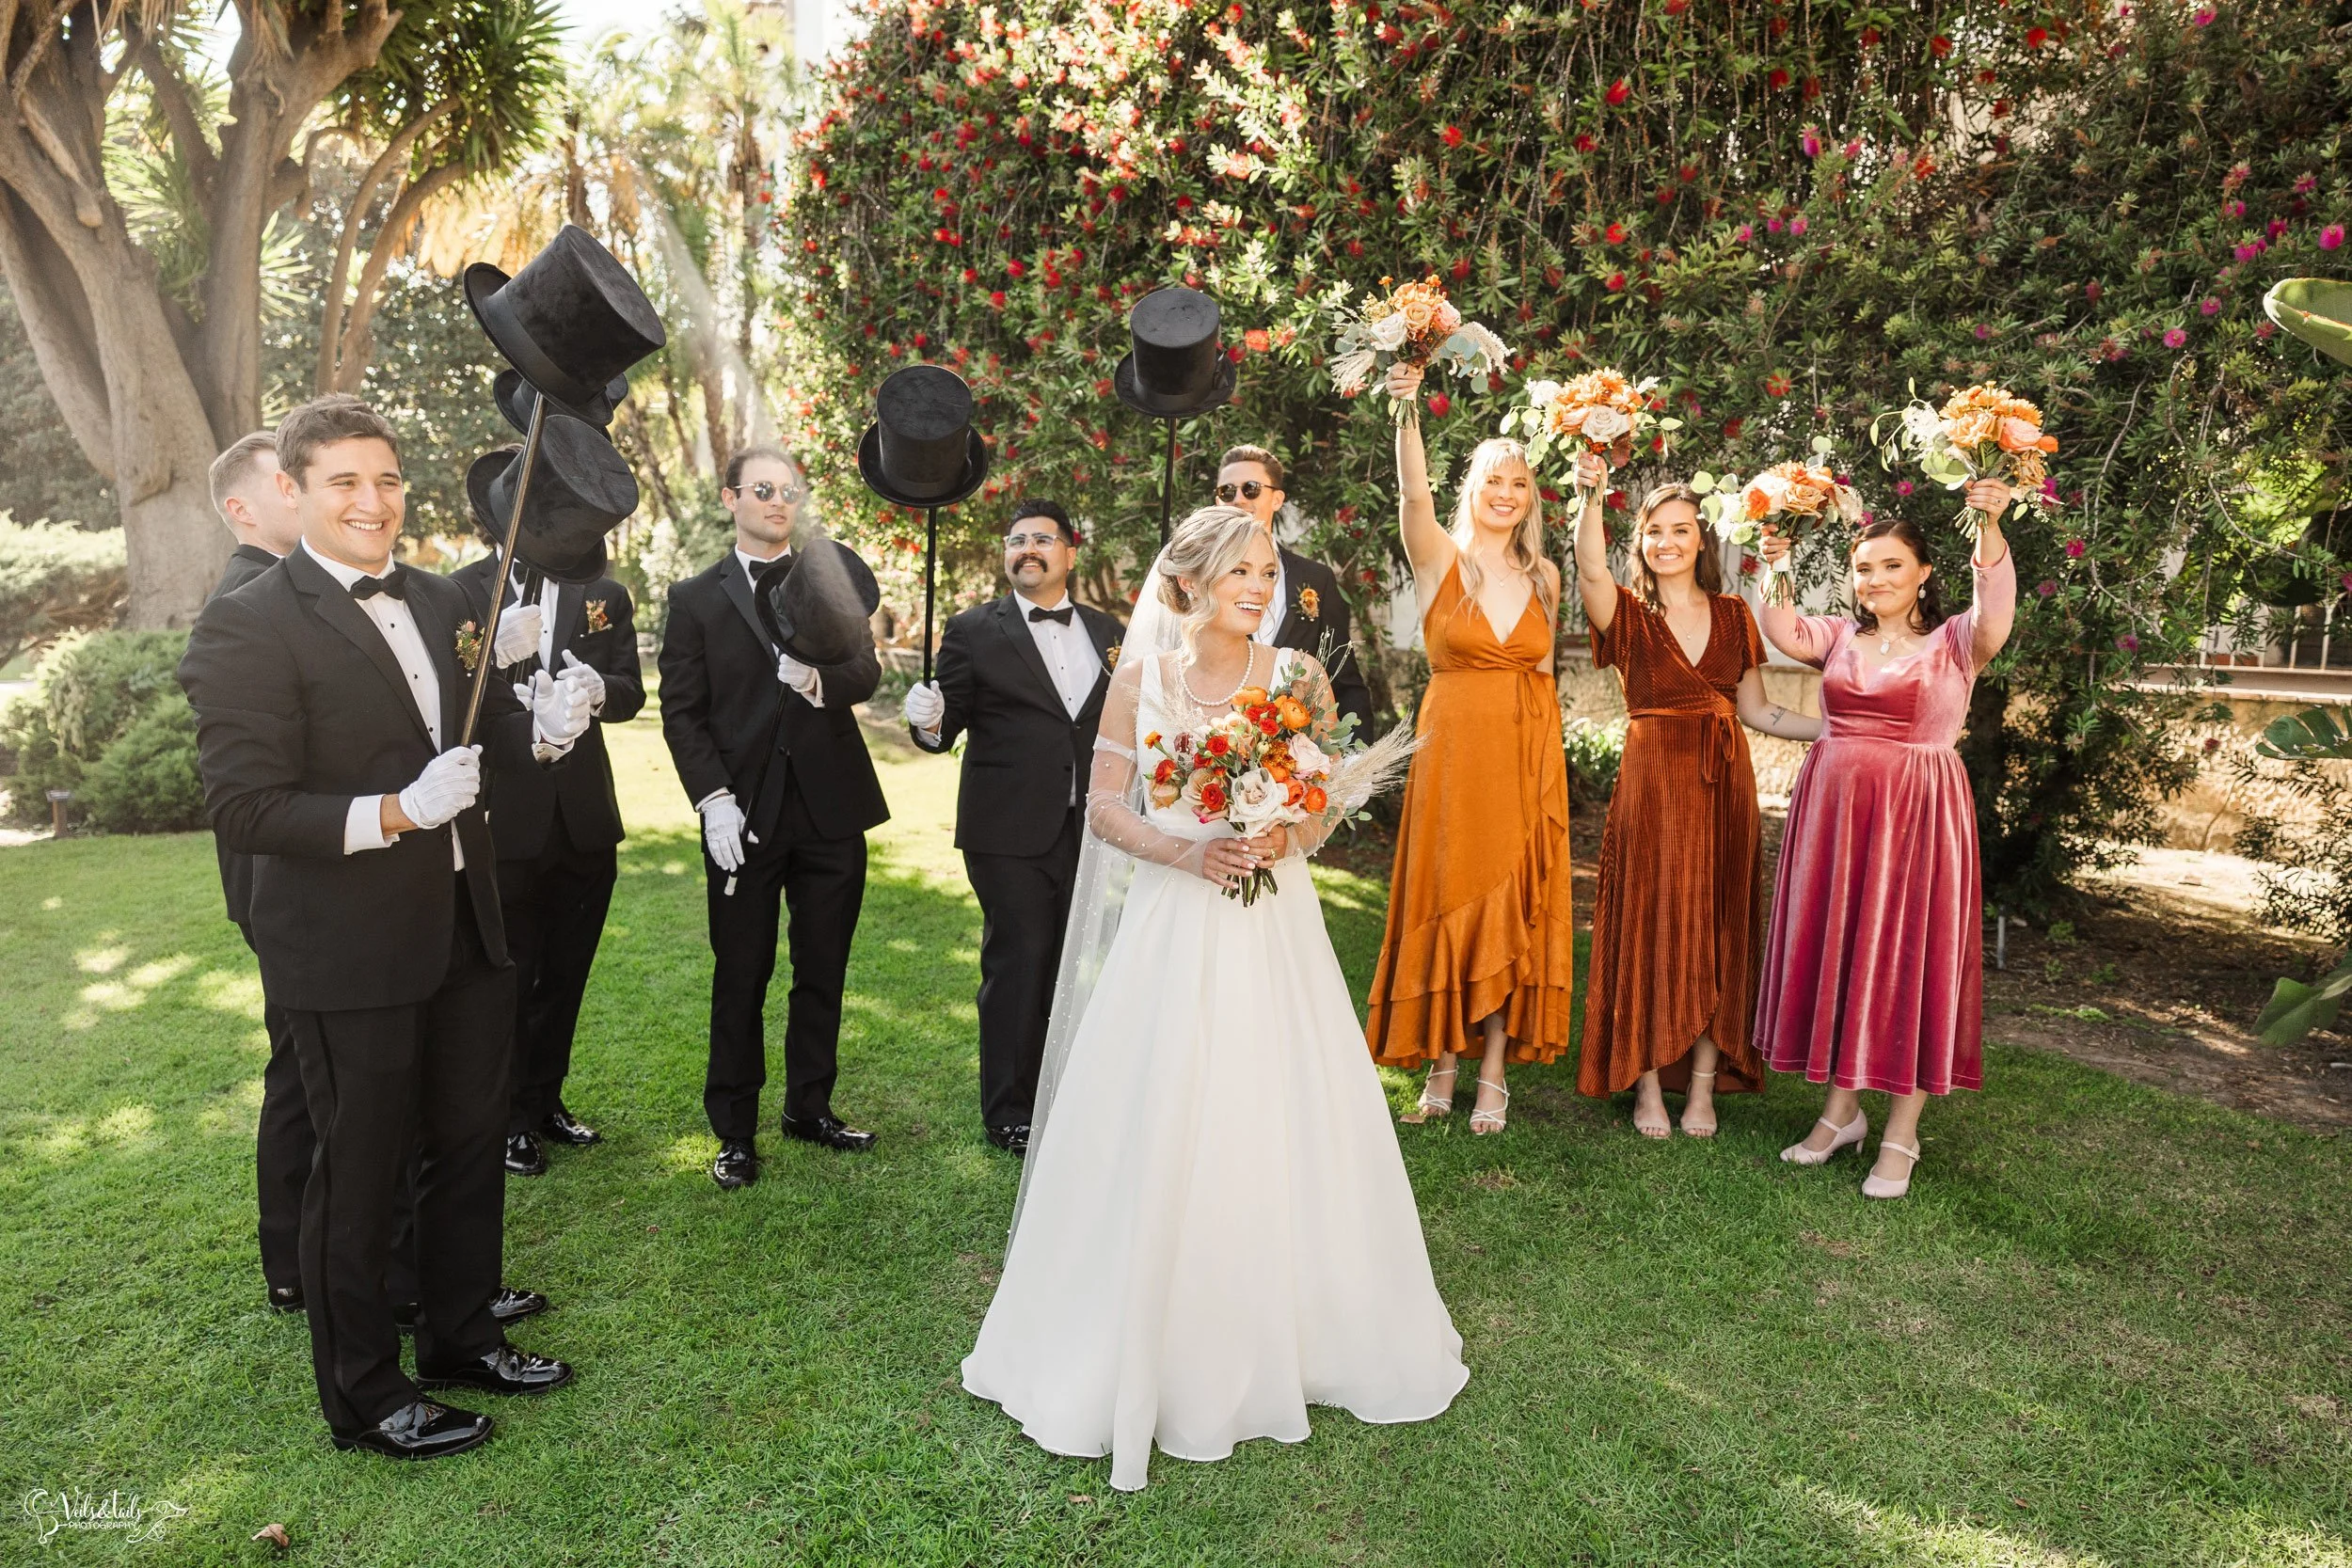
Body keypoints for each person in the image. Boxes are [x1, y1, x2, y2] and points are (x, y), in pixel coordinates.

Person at [961, 505, 1466, 1492]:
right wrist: (1188, 852)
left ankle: (1305, 1322)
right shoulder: (1140, 679)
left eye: (1266, 570)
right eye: (1239, 569)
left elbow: (1322, 799)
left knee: (1284, 1102)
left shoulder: (1298, 676)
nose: (1257, 586)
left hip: (1274, 920)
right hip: (1174, 917)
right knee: (1164, 1104)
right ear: (1187, 581)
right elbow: (1105, 808)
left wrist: (1284, 831)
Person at [178, 395, 593, 1459]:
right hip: (345, 942)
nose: (373, 501)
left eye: (388, 480)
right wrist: (399, 810)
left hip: (464, 920)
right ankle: (364, 1394)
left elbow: (468, 736)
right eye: (345, 482)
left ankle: (461, 1337)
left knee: (467, 1143)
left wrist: (541, 733)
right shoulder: (248, 621)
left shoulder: (442, 594)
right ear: (294, 490)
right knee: (360, 1171)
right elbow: (245, 807)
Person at [1754, 483, 2016, 1198]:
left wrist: (1989, 523)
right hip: (1838, 820)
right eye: (1864, 568)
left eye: (1892, 566)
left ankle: (1902, 1132)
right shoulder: (1840, 638)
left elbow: (1995, 605)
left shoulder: (1956, 642)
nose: (1875, 580)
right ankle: (1840, 1115)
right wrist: (1775, 561)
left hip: (1920, 820)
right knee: (1845, 953)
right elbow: (1782, 629)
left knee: (1909, 960)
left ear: (1924, 572)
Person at [1569, 452, 1821, 1137]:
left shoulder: (1735, 615)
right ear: (1640, 542)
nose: (1667, 542)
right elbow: (1589, 567)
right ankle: (1648, 1080)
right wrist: (1591, 492)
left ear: (1701, 540)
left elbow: (1759, 711)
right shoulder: (1625, 612)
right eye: (1654, 531)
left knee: (1719, 921)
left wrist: (1838, 728)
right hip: (1653, 782)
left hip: (1723, 786)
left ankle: (1704, 1086)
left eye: (1681, 530)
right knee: (1650, 920)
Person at [660, 447, 888, 1189]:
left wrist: (818, 678)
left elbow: (867, 670)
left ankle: (809, 1108)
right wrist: (712, 800)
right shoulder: (694, 597)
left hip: (831, 808)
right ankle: (734, 1131)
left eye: (789, 489)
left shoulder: (830, 577)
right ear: (731, 498)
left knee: (823, 968)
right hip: (743, 813)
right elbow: (682, 711)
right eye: (763, 488)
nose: (778, 500)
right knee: (742, 972)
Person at [1360, 364, 1575, 1131]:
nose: (1506, 494)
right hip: (1453, 751)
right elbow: (1413, 496)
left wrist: (1546, 774)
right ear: (1473, 490)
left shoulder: (1546, 575)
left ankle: (1492, 1070)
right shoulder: (1440, 557)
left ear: (1530, 498)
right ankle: (1442, 1061)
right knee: (1450, 889)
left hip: (1523, 754)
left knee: (1513, 897)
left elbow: (1543, 676)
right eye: (1493, 481)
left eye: (1519, 484)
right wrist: (1406, 406)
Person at [900, 499, 1124, 1154]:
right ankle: (1009, 1111)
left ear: (1070, 553)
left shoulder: (1109, 630)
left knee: (1070, 963)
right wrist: (927, 719)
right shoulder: (973, 629)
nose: (1027, 548)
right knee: (1019, 963)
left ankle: (1060, 1091)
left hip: (1090, 824)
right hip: (1006, 830)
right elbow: (943, 730)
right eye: (1016, 539)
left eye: (1042, 539)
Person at [453, 512, 646, 1178]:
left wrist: (601, 690)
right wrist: (492, 661)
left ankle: (545, 1100)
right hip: (504, 815)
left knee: (566, 974)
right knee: (511, 976)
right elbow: (449, 698)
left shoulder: (605, 593)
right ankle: (508, 1119)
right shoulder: (460, 592)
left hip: (585, 818)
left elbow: (631, 690)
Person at [203, 432, 311, 1312]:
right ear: (242, 508)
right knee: (301, 1071)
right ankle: (290, 1259)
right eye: (286, 479)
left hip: (308, 872)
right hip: (282, 881)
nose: (302, 488)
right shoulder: (246, 599)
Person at [1212, 444, 1375, 736]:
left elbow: (1344, 680)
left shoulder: (1317, 578)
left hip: (1299, 752)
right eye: (1227, 491)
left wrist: (1357, 758)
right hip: (1216, 743)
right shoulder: (1203, 578)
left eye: (1250, 489)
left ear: (1277, 499)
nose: (1238, 499)